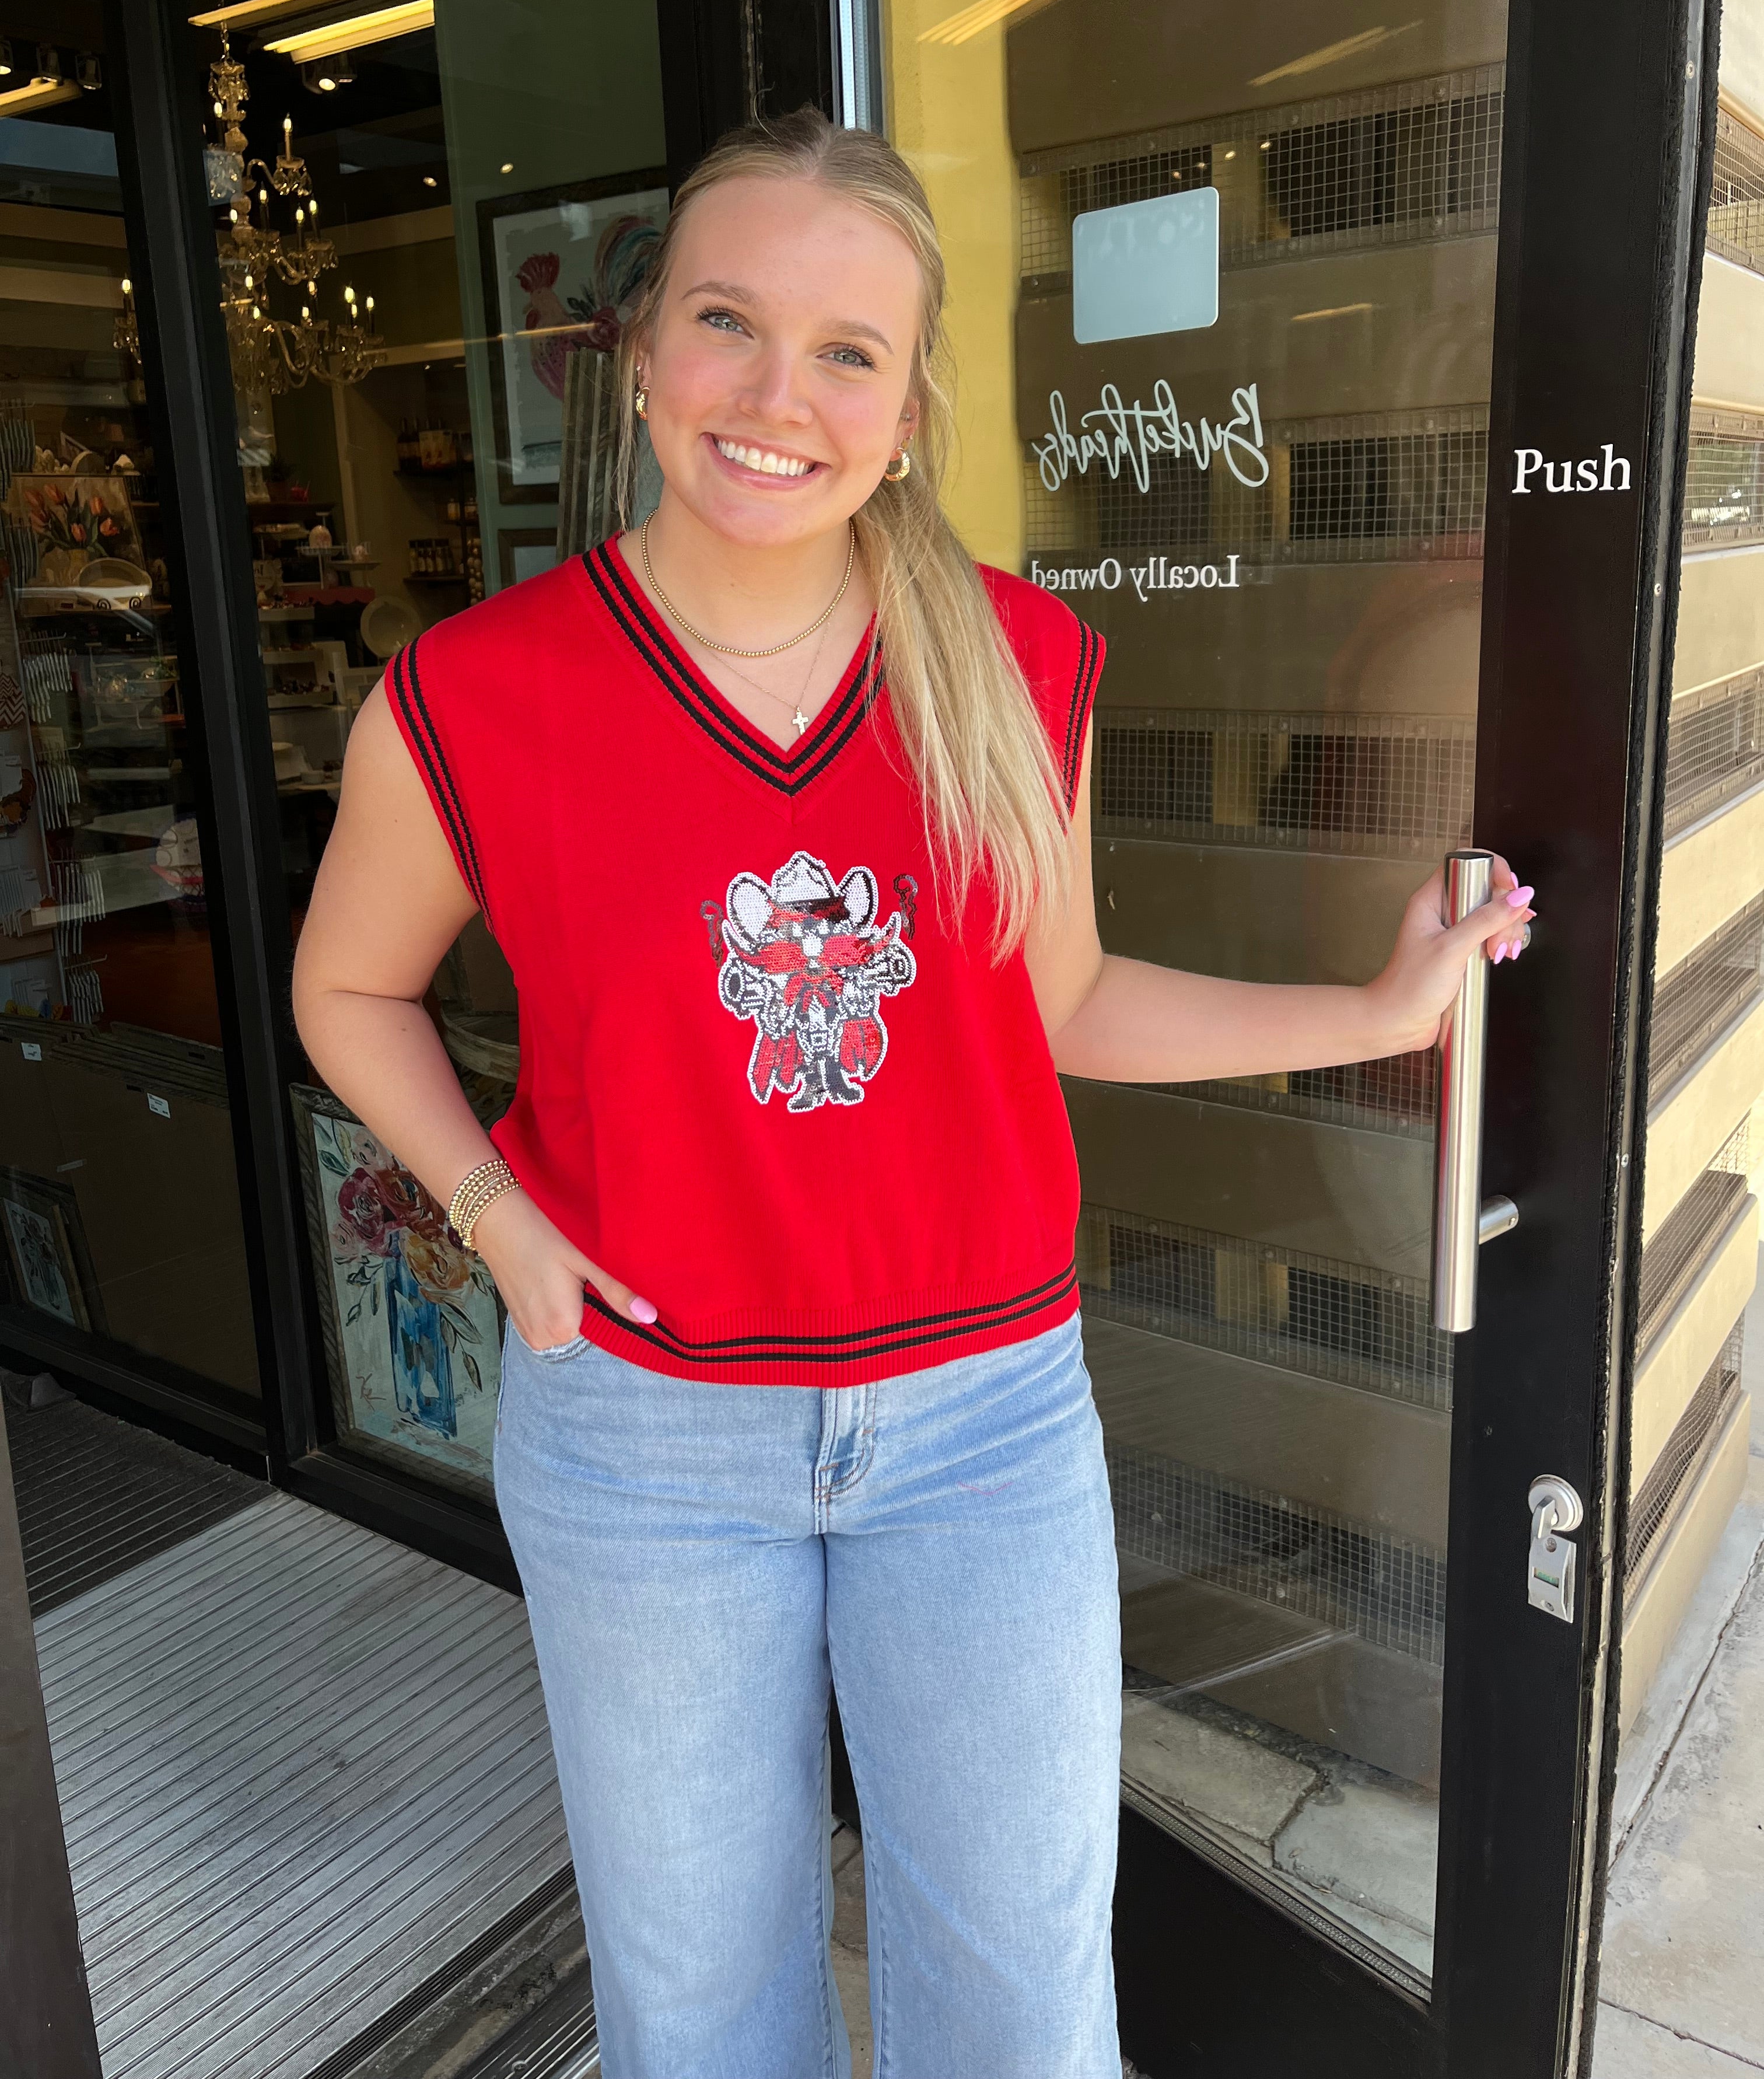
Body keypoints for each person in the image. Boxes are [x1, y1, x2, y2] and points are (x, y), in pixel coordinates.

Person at [293, 108, 1535, 2079]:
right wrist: (496, 1211)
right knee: (699, 2014)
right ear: (639, 356)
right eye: (726, 322)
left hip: (981, 1428)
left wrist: (1377, 1006)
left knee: (1025, 2012)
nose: (778, 395)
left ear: (909, 398)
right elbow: (347, 986)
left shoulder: (1013, 665)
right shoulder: (475, 690)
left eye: (847, 350)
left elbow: (1072, 999)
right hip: (645, 1435)